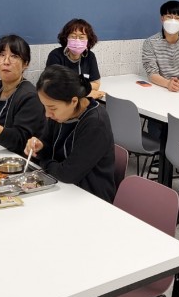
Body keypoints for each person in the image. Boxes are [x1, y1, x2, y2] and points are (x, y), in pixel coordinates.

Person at [25, 65, 116, 202]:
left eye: (52, 108)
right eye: (44, 107)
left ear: (73, 101)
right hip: (61, 187)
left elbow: (68, 174)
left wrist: (43, 161)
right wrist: (39, 146)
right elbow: (48, 145)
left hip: (90, 197)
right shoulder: (60, 114)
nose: (47, 114)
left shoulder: (95, 123)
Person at [141, 0, 179, 92]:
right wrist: (167, 84)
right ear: (162, 19)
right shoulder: (150, 43)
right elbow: (151, 72)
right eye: (169, 17)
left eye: (177, 18)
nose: (173, 21)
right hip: (159, 88)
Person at [45, 18, 104, 99]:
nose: (77, 41)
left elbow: (96, 85)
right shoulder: (55, 55)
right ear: (66, 38)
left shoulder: (90, 56)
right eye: (73, 36)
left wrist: (72, 89)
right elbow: (53, 86)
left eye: (82, 37)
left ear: (88, 40)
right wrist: (84, 94)